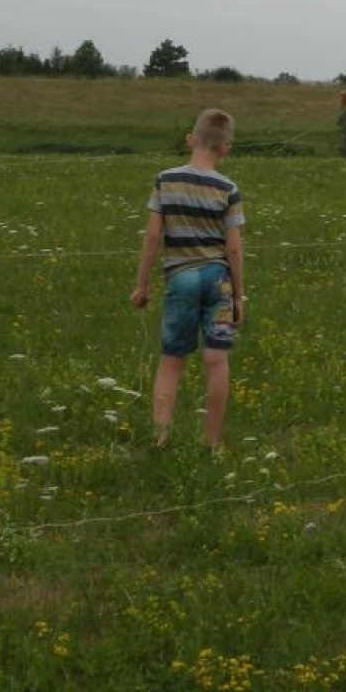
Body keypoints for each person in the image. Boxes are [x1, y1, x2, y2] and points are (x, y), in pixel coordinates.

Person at [130, 109, 245, 447]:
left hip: (180, 279)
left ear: (191, 139)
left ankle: (160, 438)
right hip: (218, 280)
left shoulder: (166, 180)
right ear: (226, 148)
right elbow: (234, 249)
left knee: (171, 361)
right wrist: (238, 297)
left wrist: (141, 284)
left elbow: (152, 237)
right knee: (216, 359)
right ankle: (210, 442)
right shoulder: (228, 189)